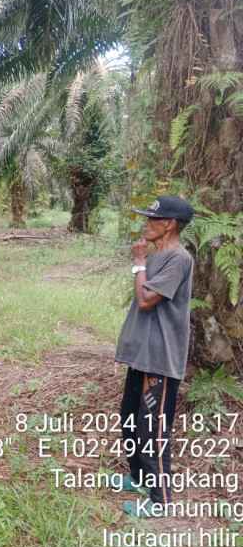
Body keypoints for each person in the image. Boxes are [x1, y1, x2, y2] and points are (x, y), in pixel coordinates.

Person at [115, 195, 194, 517]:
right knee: (130, 419)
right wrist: (144, 262)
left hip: (160, 359)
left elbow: (147, 299)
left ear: (170, 224)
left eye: (151, 219)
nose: (145, 223)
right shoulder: (158, 255)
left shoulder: (178, 258)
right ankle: (138, 477)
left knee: (153, 430)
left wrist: (139, 263)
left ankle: (160, 501)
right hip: (142, 355)